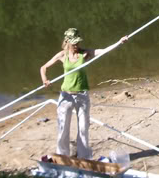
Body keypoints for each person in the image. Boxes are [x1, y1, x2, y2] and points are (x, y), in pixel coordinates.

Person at [40, 27, 127, 160]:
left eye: (78, 42)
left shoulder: (85, 53)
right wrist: (45, 80)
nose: (76, 45)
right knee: (63, 129)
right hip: (66, 96)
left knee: (83, 128)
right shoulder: (62, 55)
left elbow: (103, 51)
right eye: (74, 43)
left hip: (82, 95)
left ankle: (84, 157)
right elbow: (43, 68)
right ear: (67, 42)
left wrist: (119, 42)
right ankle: (63, 155)